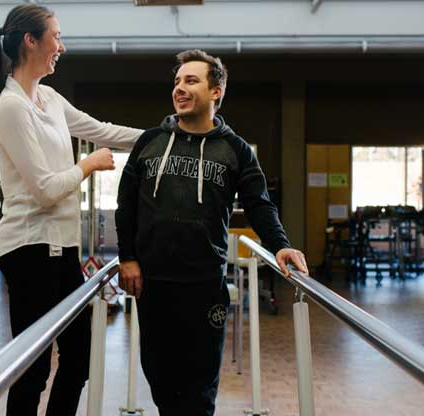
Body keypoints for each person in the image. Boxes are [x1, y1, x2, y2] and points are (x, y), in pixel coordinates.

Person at [115, 49, 308, 415]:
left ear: (216, 91)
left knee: (200, 386)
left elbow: (260, 204)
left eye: (191, 81)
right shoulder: (150, 142)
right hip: (153, 283)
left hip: (204, 285)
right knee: (160, 378)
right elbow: (126, 207)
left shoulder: (235, 150)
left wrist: (280, 246)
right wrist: (127, 258)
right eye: (177, 81)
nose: (180, 88)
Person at [0, 4, 142, 415]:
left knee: (79, 358)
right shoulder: (10, 108)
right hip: (29, 249)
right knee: (33, 370)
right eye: (56, 36)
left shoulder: (48, 97)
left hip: (61, 249)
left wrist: (166, 135)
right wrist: (87, 164)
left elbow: (100, 130)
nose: (61, 46)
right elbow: (46, 191)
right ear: (30, 41)